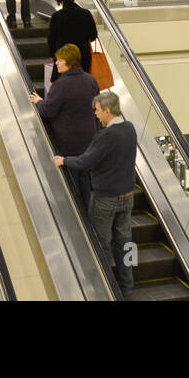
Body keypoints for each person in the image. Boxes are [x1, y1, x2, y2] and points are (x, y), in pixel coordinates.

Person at [57, 90, 138, 293]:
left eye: (97, 110)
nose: (95, 114)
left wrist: (64, 160)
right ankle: (127, 286)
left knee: (101, 244)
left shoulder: (106, 135)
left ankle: (103, 286)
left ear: (107, 111)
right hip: (127, 196)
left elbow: (86, 161)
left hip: (105, 199)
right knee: (124, 241)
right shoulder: (130, 128)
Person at [29, 43, 100, 213]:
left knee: (71, 179)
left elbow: (48, 110)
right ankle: (86, 210)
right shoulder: (91, 80)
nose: (56, 63)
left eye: (60, 60)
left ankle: (75, 213)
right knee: (83, 175)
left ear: (68, 62)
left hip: (69, 140)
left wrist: (39, 101)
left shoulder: (61, 85)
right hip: (89, 136)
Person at [46, 0, 98, 87]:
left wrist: (52, 55)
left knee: (63, 83)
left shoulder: (57, 16)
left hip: (63, 55)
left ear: (60, 0)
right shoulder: (86, 13)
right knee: (82, 83)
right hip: (82, 55)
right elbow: (93, 35)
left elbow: (51, 38)